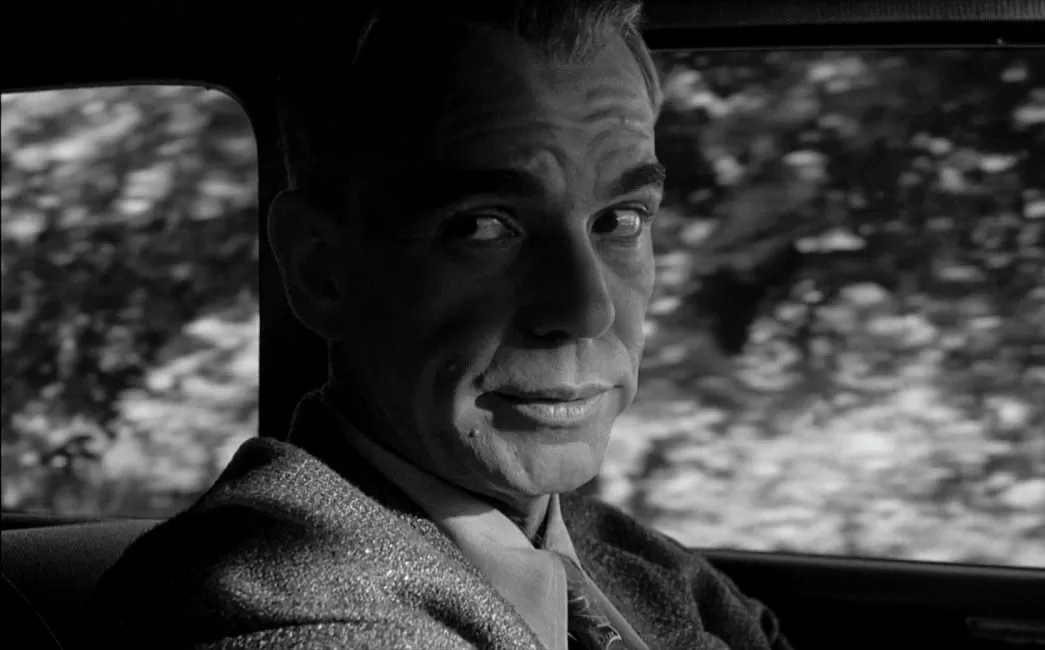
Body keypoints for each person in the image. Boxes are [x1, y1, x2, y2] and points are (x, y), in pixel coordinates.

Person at [86, 1, 792, 648]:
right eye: (486, 226)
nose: (587, 311)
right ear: (320, 269)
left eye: (619, 220)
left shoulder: (636, 561)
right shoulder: (277, 599)